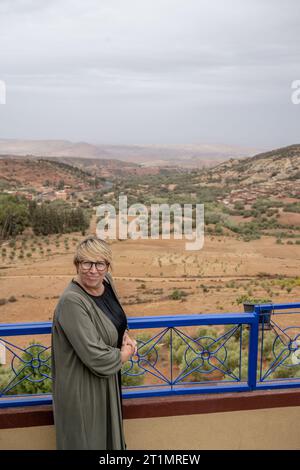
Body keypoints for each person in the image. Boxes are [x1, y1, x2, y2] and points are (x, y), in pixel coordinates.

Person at [51, 236, 137, 450]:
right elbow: (95, 356)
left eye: (100, 264)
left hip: (107, 380)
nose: (93, 270)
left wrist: (124, 334)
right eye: (86, 263)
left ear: (108, 266)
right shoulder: (72, 300)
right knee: (89, 441)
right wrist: (126, 354)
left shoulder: (107, 283)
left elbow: (116, 318)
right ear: (77, 264)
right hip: (82, 389)